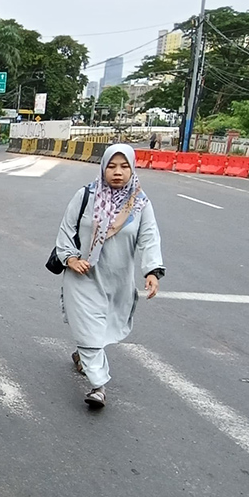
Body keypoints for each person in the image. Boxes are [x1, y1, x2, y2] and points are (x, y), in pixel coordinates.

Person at [54, 144, 164, 409]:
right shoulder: (85, 196)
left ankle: (84, 355)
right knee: (90, 331)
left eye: (124, 167)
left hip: (117, 279)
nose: (117, 173)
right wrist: (70, 258)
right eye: (112, 166)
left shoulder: (139, 203)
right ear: (103, 168)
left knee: (104, 329)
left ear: (132, 169)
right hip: (82, 276)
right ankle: (98, 386)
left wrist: (152, 271)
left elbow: (149, 238)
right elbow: (66, 230)